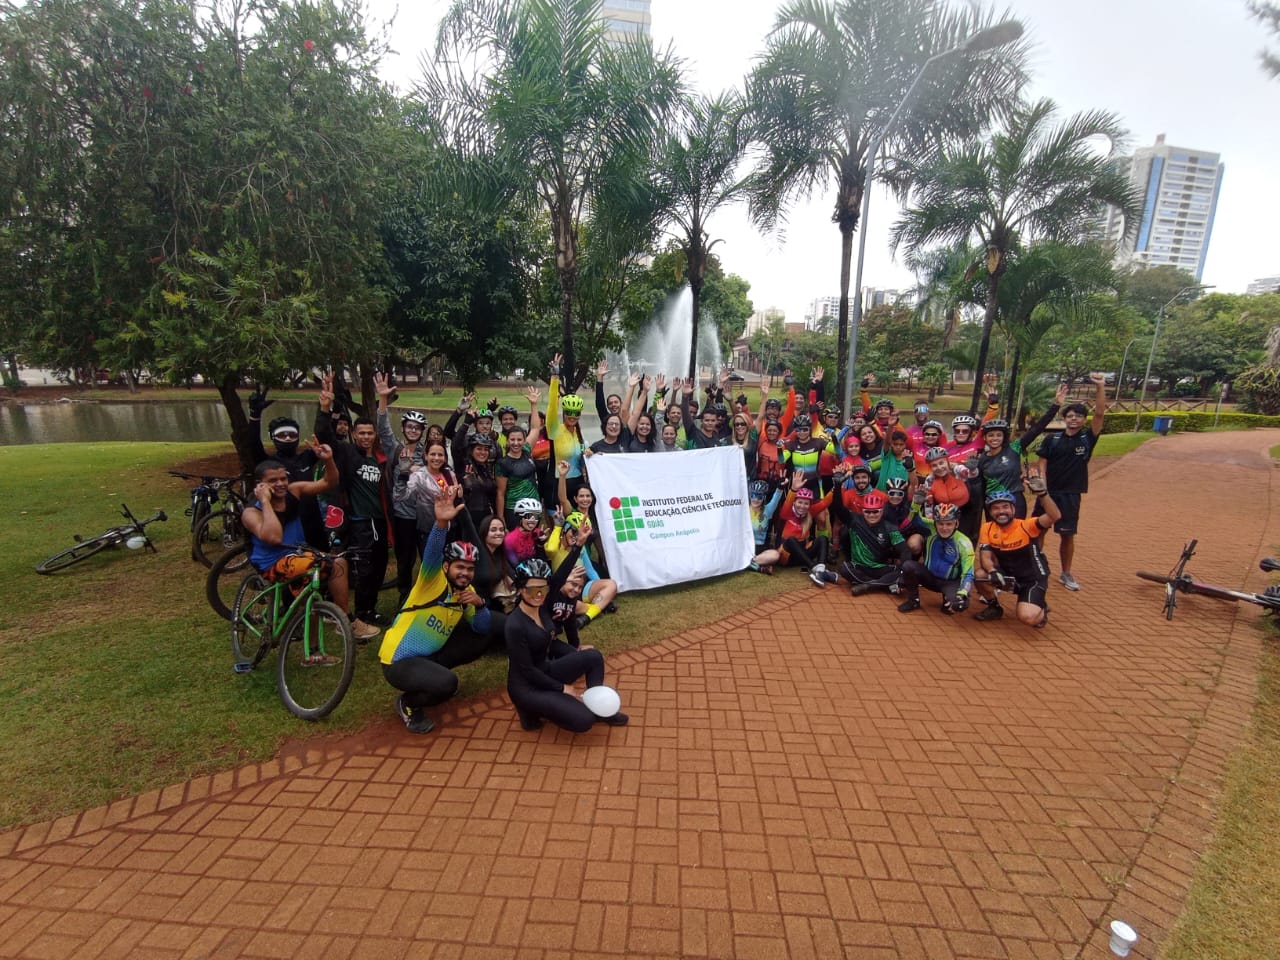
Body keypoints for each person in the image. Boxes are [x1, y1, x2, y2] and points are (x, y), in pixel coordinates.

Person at [379, 488, 504, 734]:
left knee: (484, 634)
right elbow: (432, 554)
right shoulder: (431, 580)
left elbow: (482, 628)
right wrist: (441, 523)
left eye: (469, 569)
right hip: (399, 660)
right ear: (446, 566)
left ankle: (432, 676)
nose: (465, 573)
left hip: (430, 655)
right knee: (447, 684)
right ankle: (409, 703)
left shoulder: (465, 591)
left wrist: (479, 606)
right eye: (459, 567)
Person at [242, 442, 378, 645]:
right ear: (259, 485)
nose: (280, 484)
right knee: (314, 579)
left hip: (299, 557)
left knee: (338, 562)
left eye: (283, 478)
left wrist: (328, 459)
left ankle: (344, 620)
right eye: (272, 481)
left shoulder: (294, 491)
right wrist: (265, 502)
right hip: (271, 564)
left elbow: (329, 483)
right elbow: (274, 537)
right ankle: (315, 640)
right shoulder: (251, 512)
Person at [505, 554, 628, 733]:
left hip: (546, 671)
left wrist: (578, 545)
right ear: (521, 589)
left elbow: (558, 579)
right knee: (584, 721)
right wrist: (562, 688)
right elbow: (527, 671)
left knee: (593, 657)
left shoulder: (542, 606)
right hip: (527, 687)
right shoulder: (514, 625)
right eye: (532, 590)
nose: (539, 594)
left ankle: (600, 708)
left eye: (543, 589)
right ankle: (531, 708)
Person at [316, 373, 390, 633]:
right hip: (359, 522)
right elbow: (325, 436)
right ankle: (358, 615)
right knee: (364, 570)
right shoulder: (348, 454)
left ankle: (370, 610)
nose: (366, 437)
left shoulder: (380, 459)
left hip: (379, 520)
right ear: (355, 434)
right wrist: (324, 408)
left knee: (379, 567)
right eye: (362, 433)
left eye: (370, 433)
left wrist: (383, 400)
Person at [1035, 373, 1107, 592]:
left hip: (1070, 494)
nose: (1074, 419)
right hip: (1048, 493)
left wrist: (1100, 387)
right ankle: (1036, 568)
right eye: (1070, 415)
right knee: (1038, 530)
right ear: (1064, 418)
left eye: (1078, 416)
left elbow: (1100, 414)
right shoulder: (1052, 439)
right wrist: (1042, 487)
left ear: (1083, 420)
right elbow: (1042, 463)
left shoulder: (1087, 438)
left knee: (1067, 534)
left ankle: (1066, 573)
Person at [968, 382, 1066, 518]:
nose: (994, 438)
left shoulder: (1014, 448)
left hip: (1015, 500)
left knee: (1018, 535)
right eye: (990, 435)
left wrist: (1056, 405)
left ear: (1004, 437)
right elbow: (981, 487)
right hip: (992, 502)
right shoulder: (982, 458)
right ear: (984, 438)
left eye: (998, 435)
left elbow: (1037, 429)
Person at [974, 476, 1060, 627]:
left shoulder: (1027, 526)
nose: (1001, 511)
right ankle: (994, 607)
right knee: (980, 575)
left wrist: (1043, 494)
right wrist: (993, 571)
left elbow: (1054, 516)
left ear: (1013, 509)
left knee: (1027, 617)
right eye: (996, 508)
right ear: (990, 511)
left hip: (1031, 578)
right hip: (1008, 576)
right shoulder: (987, 528)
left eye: (1005, 507)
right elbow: (985, 556)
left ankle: (1040, 606)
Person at [375, 384, 427, 606]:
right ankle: (404, 595)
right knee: (405, 559)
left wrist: (419, 470)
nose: (413, 430)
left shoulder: (428, 453)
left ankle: (427, 593)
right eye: (410, 427)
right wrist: (383, 399)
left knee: (428, 558)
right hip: (403, 515)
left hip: (425, 515)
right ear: (404, 428)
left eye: (417, 428)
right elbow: (383, 429)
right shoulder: (395, 449)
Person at [750, 471, 832, 579]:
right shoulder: (787, 513)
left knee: (822, 539)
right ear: (794, 502)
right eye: (800, 502)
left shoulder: (810, 512)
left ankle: (821, 570)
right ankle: (813, 567)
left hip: (802, 555)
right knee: (791, 540)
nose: (802, 506)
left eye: (806, 503)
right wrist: (793, 489)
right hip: (786, 556)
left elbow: (824, 503)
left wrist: (837, 486)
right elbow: (782, 500)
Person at [829, 487, 910, 596]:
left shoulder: (889, 527)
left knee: (901, 570)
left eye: (875, 511)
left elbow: (905, 550)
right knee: (844, 568)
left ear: (881, 511)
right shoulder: (854, 520)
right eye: (868, 511)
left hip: (881, 568)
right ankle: (883, 584)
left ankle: (868, 586)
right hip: (859, 567)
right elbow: (838, 508)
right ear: (862, 511)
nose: (871, 515)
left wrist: (904, 570)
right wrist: (838, 485)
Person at [896, 503, 975, 614]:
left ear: (956, 524)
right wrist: (916, 504)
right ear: (935, 523)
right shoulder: (930, 528)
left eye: (949, 524)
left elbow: (968, 573)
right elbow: (914, 520)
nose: (944, 528)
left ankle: (948, 600)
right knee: (908, 566)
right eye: (940, 523)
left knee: (960, 604)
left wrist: (963, 592)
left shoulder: (964, 543)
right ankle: (913, 600)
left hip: (950, 582)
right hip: (929, 577)